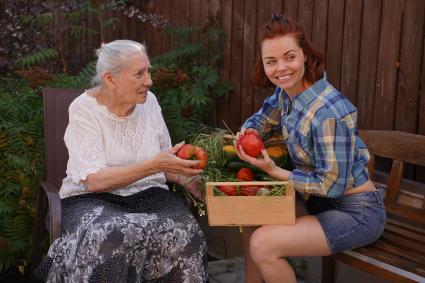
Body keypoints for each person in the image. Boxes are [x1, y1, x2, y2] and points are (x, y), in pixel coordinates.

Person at [36, 40, 207, 282]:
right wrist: (155, 165)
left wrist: (191, 179)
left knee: (186, 232)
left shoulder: (150, 103)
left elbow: (166, 166)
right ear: (110, 79)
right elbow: (94, 180)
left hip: (148, 195)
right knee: (109, 234)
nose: (149, 80)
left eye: (148, 71)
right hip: (90, 199)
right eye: (139, 74)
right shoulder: (84, 109)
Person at [234, 15, 386, 283]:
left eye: (289, 57)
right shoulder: (286, 94)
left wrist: (274, 171)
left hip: (355, 212)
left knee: (263, 244)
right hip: (318, 202)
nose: (281, 68)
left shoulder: (327, 113)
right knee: (250, 215)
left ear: (305, 54)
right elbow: (261, 119)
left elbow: (331, 185)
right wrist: (250, 133)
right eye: (271, 61)